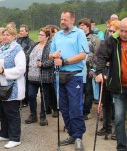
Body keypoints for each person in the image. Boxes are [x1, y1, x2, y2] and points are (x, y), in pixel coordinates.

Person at [95, 17, 127, 151]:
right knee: (119, 118)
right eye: (122, 31)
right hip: (119, 88)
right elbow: (101, 56)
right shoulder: (111, 41)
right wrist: (100, 72)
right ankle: (122, 147)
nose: (123, 34)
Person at [49, 10, 89, 150]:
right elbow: (50, 54)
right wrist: (53, 55)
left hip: (74, 75)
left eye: (65, 19)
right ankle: (72, 134)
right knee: (63, 107)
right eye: (61, 19)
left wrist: (64, 61)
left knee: (75, 107)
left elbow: (83, 54)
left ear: (72, 20)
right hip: (59, 75)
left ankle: (78, 136)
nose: (62, 22)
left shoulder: (79, 34)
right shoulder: (57, 35)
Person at [0, 27, 26, 149]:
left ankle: (15, 138)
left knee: (12, 113)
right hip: (1, 86)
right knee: (3, 112)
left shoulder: (18, 50)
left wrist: (4, 71)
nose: (5, 37)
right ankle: (4, 134)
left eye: (8, 35)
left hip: (13, 86)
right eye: (4, 34)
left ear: (14, 36)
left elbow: (21, 69)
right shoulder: (1, 50)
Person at [25, 27, 54, 126]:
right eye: (39, 34)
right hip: (31, 76)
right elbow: (27, 56)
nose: (39, 36)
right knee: (31, 95)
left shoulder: (49, 47)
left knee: (44, 97)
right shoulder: (35, 45)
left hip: (43, 77)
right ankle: (33, 115)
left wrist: (43, 64)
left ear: (47, 37)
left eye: (41, 35)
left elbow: (52, 60)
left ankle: (43, 116)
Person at [96, 19, 120, 140]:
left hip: (116, 78)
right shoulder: (104, 43)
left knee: (116, 104)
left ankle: (117, 129)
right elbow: (98, 57)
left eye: (113, 31)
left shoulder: (120, 43)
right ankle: (106, 126)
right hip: (106, 76)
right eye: (109, 30)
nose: (110, 32)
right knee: (106, 103)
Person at [78, 18, 101, 120]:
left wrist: (93, 69)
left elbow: (98, 55)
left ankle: (86, 112)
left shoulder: (94, 38)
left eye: (82, 25)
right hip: (79, 67)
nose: (80, 27)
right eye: (79, 25)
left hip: (89, 67)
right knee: (79, 90)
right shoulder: (78, 38)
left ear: (87, 26)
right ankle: (78, 110)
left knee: (88, 90)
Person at [17, 24, 35, 107]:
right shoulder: (17, 41)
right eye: (20, 31)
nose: (20, 32)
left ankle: (25, 100)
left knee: (26, 83)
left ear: (27, 32)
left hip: (26, 65)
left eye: (22, 31)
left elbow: (28, 55)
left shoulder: (30, 42)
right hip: (18, 65)